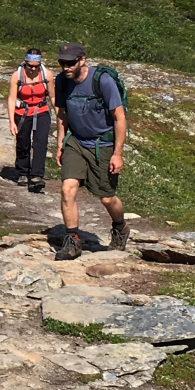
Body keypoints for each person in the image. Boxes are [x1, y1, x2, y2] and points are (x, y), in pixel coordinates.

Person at [51, 42, 128, 261]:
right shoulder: (61, 82)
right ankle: (72, 241)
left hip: (101, 145)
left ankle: (120, 227)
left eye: (70, 63)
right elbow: (62, 114)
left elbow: (119, 117)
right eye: (62, 63)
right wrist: (60, 145)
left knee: (106, 198)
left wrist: (117, 153)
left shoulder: (102, 81)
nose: (65, 67)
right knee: (68, 188)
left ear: (82, 60)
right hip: (75, 141)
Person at [0, 48, 52, 193]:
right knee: (23, 142)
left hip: (42, 111)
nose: (33, 69)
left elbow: (53, 97)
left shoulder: (47, 74)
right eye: (30, 65)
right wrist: (12, 122)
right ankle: (22, 172)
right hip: (22, 112)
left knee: (40, 143)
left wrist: (61, 116)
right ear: (25, 63)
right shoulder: (17, 76)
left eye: (36, 66)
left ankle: (36, 176)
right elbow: (11, 99)